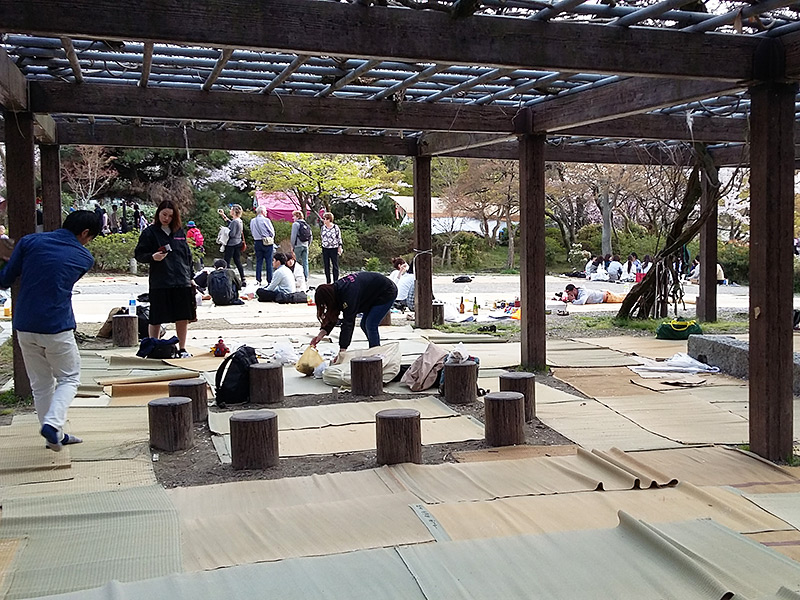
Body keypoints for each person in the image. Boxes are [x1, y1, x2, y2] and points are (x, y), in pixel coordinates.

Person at [0, 210, 101, 451]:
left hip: (24, 324)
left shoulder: (29, 241)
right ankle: (53, 425)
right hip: (57, 325)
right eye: (90, 237)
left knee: (41, 384)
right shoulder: (84, 258)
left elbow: (5, 280)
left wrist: (4, 257)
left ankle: (53, 437)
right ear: (85, 233)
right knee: (69, 378)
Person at [134, 200, 196, 358]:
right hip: (160, 281)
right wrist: (152, 257)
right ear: (158, 214)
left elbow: (187, 256)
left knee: (182, 316)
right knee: (156, 317)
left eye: (170, 216)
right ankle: (152, 346)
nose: (166, 218)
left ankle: (182, 348)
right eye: (164, 214)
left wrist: (191, 277)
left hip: (181, 280)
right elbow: (139, 254)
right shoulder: (150, 232)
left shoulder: (179, 232)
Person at [309, 272, 397, 356]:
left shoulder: (348, 295)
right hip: (371, 294)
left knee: (370, 324)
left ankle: (376, 353)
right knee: (364, 324)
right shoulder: (336, 291)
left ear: (328, 299)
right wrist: (319, 336)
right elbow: (333, 314)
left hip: (386, 291)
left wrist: (342, 350)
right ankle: (374, 348)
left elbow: (348, 323)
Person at [218, 204, 246, 287]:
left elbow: (232, 233)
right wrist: (224, 216)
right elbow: (232, 224)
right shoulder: (239, 221)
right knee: (237, 261)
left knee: (227, 261)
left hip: (231, 243)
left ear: (234, 211)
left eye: (231, 210)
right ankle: (243, 278)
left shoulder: (234, 222)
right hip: (238, 242)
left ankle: (227, 278)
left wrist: (224, 230)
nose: (230, 211)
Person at [250, 206, 275, 286]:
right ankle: (269, 280)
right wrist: (270, 237)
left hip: (257, 241)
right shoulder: (266, 220)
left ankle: (258, 280)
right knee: (268, 262)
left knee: (259, 261)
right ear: (263, 212)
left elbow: (252, 231)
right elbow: (272, 232)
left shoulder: (252, 221)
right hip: (267, 242)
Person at [320, 212, 343, 284]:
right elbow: (321, 236)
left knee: (335, 265)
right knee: (326, 265)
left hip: (334, 248)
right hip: (325, 248)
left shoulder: (335, 227)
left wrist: (340, 246)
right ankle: (328, 281)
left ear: (329, 219)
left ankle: (336, 281)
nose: (323, 220)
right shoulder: (323, 228)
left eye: (324, 219)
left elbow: (339, 237)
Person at [290, 210, 312, 281]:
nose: (293, 218)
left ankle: (294, 277)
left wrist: (292, 246)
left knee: (295, 262)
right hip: (305, 245)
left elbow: (293, 236)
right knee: (305, 262)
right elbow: (311, 236)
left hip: (298, 245)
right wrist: (308, 245)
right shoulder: (307, 225)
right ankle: (305, 277)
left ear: (297, 216)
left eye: (294, 216)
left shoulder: (296, 224)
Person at [560, 283, 626, 305]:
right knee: (622, 295)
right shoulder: (578, 293)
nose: (570, 295)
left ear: (574, 289)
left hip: (608, 297)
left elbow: (581, 302)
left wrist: (573, 300)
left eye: (570, 293)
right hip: (604, 295)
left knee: (624, 298)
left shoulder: (583, 292)